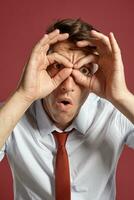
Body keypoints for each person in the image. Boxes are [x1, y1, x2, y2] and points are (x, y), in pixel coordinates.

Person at [0, 18, 134, 200]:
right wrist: (24, 95)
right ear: (42, 68)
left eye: (84, 71)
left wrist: (121, 96)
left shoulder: (113, 113)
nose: (68, 85)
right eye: (58, 66)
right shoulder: (11, 114)